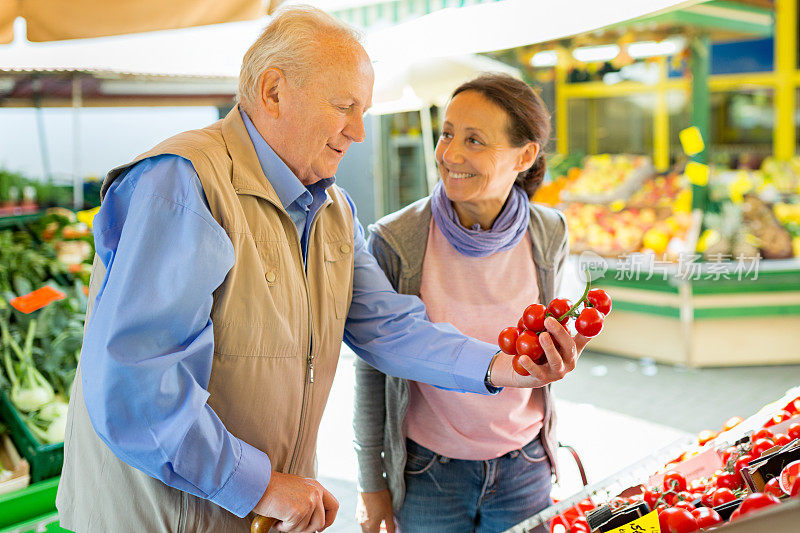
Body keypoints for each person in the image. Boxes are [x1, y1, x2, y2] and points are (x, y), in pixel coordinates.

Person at [56, 8, 584, 533]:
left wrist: (501, 366)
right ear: (274, 91)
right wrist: (261, 485)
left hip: (261, 512)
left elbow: (389, 327)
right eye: (345, 106)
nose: (358, 130)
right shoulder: (184, 187)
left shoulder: (334, 210)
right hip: (164, 518)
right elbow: (136, 386)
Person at [354, 74, 583, 533]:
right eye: (447, 133)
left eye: (474, 140)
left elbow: (554, 335)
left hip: (525, 464)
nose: (449, 154)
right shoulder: (397, 240)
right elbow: (371, 367)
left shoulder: (549, 231)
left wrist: (570, 347)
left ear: (524, 156)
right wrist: (371, 484)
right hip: (427, 475)